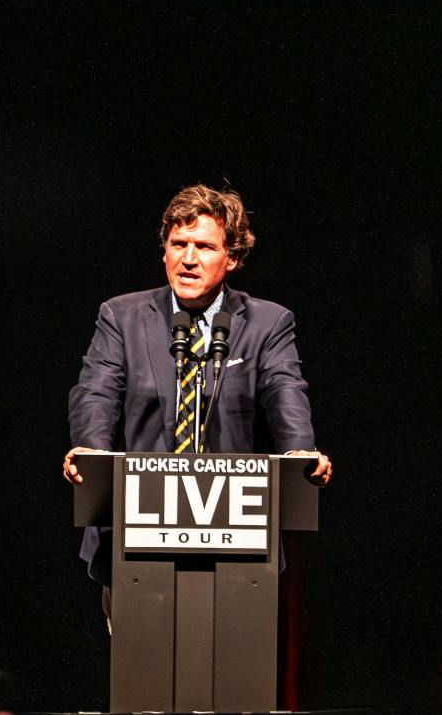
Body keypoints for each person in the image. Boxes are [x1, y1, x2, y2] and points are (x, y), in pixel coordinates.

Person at [63, 184, 331, 584]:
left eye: (204, 247)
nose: (188, 259)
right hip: (134, 543)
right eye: (178, 244)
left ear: (233, 256)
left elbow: (284, 391)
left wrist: (298, 451)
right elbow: (96, 392)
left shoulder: (267, 324)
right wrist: (91, 450)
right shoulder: (122, 317)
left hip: (237, 544)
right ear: (164, 250)